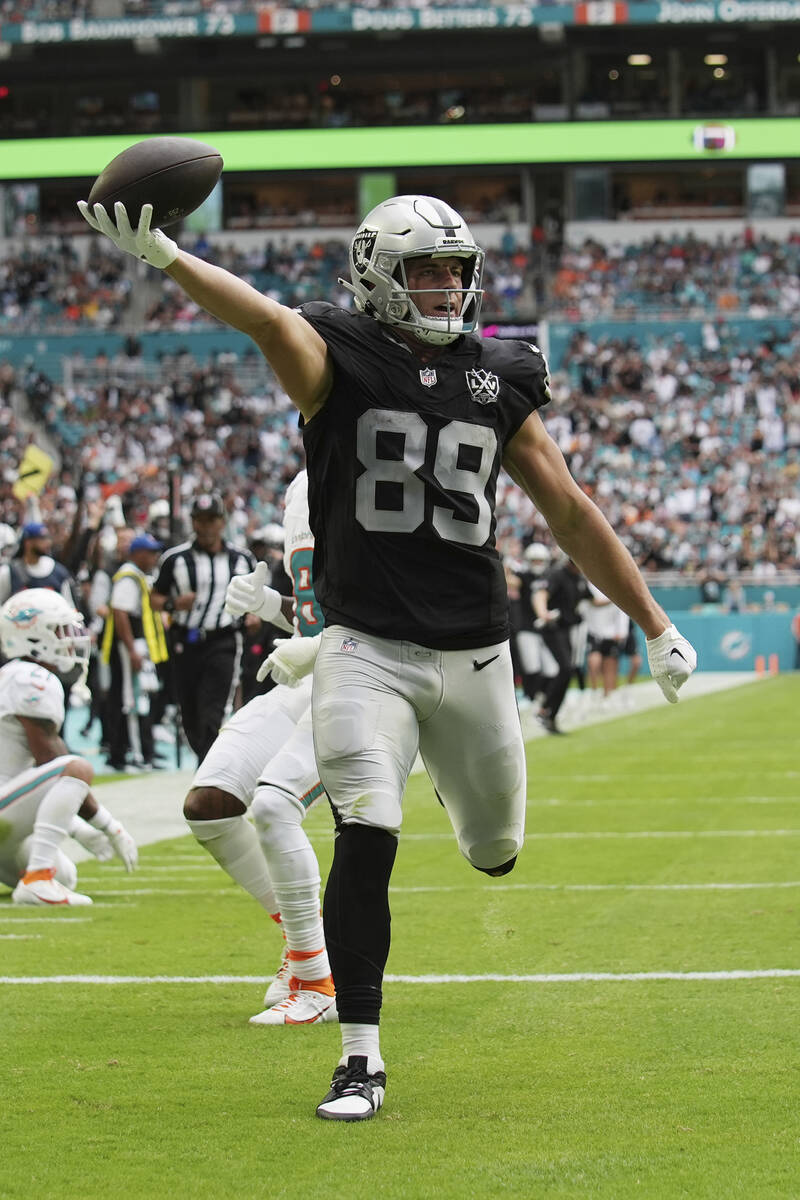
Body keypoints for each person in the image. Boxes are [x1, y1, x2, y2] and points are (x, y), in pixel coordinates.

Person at [79, 192, 698, 1121]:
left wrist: (653, 621)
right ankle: (359, 1059)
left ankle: (450, 773)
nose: (447, 288)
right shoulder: (338, 353)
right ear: (378, 275)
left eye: (456, 270)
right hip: (363, 647)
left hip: (476, 653)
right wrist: (168, 257)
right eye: (426, 270)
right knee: (365, 832)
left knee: (495, 853)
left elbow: (568, 509)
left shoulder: (502, 372)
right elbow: (259, 315)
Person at [183, 469, 335, 1025]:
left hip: (364, 681)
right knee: (210, 804)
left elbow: (392, 614)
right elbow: (319, 609)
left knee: (273, 807)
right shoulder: (304, 484)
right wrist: (273, 604)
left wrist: (321, 649)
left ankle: (318, 980)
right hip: (307, 676)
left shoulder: (375, 471)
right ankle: (306, 943)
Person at [0, 588, 138, 906]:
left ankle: (42, 876)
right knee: (77, 767)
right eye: (60, 629)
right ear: (33, 637)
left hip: (8, 803)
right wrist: (108, 825)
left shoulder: (13, 675)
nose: (71, 638)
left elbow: (36, 777)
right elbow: (54, 763)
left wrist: (77, 827)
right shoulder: (31, 679)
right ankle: (37, 880)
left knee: (66, 875)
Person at [149, 493, 261, 763]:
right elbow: (155, 598)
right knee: (190, 715)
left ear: (222, 522)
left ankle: (208, 775)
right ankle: (206, 765)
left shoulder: (242, 559)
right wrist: (174, 604)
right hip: (185, 642)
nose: (206, 526)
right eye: (200, 520)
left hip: (223, 640)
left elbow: (257, 596)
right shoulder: (175, 559)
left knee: (213, 712)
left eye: (211, 520)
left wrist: (254, 614)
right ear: (193, 523)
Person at [100, 533, 168, 772]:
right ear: (137, 553)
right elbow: (120, 613)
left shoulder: (139, 576)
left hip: (139, 646)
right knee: (132, 701)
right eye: (150, 552)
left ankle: (140, 752)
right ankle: (134, 755)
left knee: (141, 698)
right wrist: (131, 649)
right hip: (131, 647)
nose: (154, 557)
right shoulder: (128, 577)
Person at [532, 557, 593, 733]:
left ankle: (549, 715)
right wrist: (543, 613)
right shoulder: (557, 574)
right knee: (566, 668)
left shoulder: (579, 578)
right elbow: (541, 594)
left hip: (566, 629)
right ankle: (544, 710)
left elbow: (592, 600)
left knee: (568, 670)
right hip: (553, 627)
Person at [0, 522, 76, 607]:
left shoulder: (58, 572)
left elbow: (69, 607)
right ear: (28, 542)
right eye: (42, 538)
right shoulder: (9, 572)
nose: (48, 543)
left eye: (48, 538)